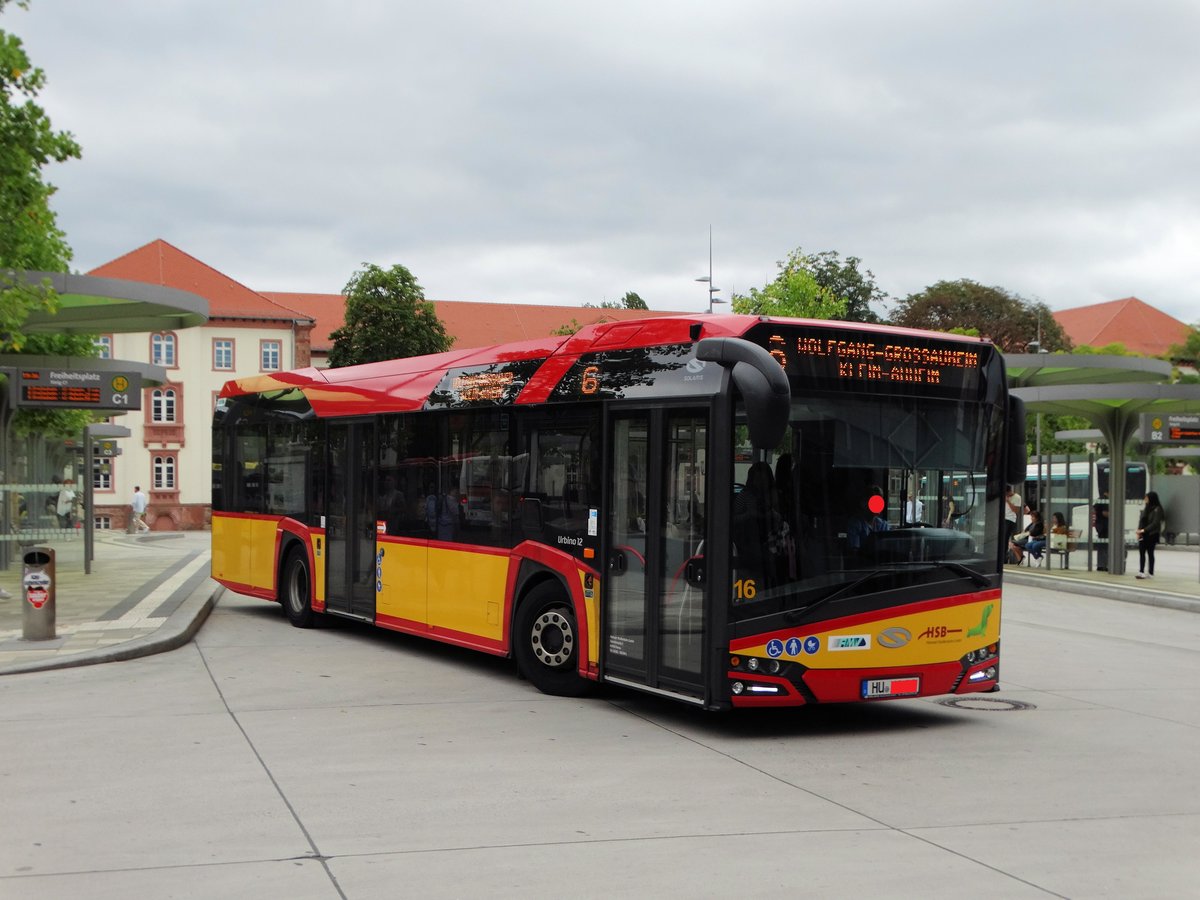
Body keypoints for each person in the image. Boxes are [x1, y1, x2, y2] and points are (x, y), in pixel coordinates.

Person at [1135, 491, 1165, 579]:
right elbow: (1142, 520)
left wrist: (1144, 530)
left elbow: (1155, 523)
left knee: (1150, 553)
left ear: (1151, 499)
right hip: (1143, 533)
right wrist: (1139, 531)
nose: (1145, 499)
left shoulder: (1157, 509)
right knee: (1141, 552)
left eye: (1146, 498)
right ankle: (1141, 571)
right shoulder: (1146, 508)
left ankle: (1151, 572)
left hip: (1152, 534)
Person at [1092, 493, 1109, 570]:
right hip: (1105, 526)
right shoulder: (1105, 500)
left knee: (1102, 546)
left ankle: (1101, 565)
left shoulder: (1100, 499)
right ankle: (1104, 565)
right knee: (1105, 546)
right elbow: (1105, 513)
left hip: (1100, 526)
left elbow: (1094, 508)